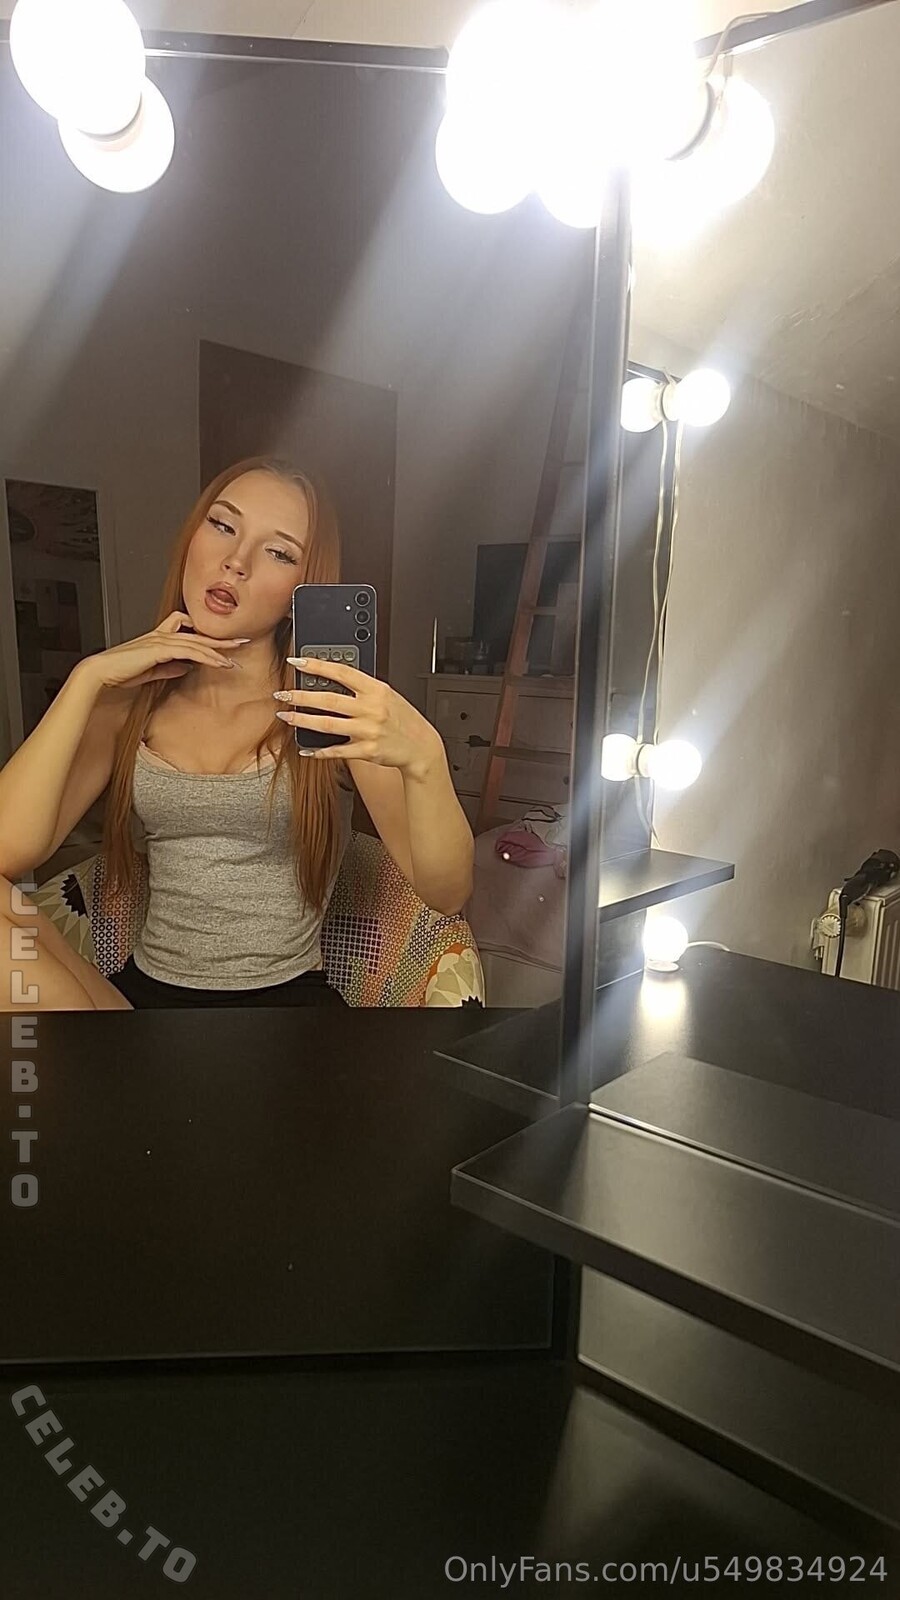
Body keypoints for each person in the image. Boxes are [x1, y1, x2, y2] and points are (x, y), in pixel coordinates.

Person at [0, 457, 474, 1010]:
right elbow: (8, 851)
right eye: (223, 525)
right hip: (143, 1004)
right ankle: (112, 1064)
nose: (236, 562)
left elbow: (446, 893)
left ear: (302, 589)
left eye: (279, 553)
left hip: (280, 1010)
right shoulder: (130, 700)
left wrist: (425, 759)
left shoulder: (327, 708)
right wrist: (85, 680)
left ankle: (103, 1067)